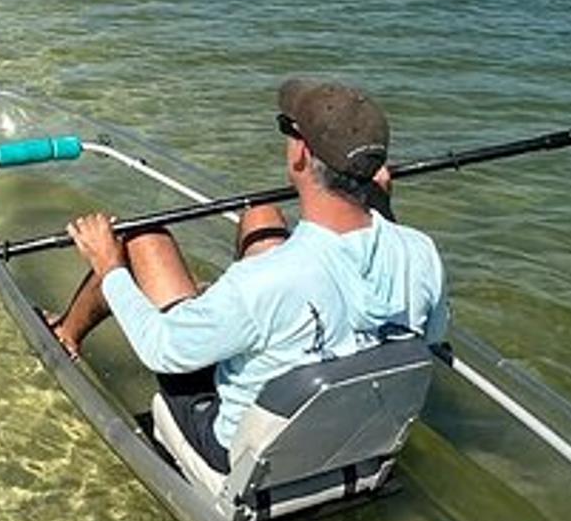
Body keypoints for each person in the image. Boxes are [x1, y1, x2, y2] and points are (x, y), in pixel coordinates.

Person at [55, 78, 448, 476]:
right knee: (261, 214)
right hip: (357, 433)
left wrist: (108, 266)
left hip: (243, 453)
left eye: (286, 128)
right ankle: (220, 317)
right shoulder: (421, 251)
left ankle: (65, 335)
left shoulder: (265, 282)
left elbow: (161, 350)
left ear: (302, 153)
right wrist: (381, 208)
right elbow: (427, 340)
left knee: (142, 238)